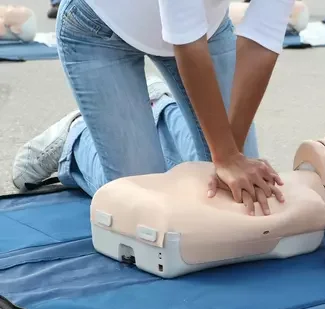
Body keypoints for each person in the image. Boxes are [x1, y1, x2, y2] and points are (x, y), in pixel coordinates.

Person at [13, 0, 295, 214]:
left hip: (203, 29)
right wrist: (226, 157)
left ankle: (157, 107)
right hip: (98, 29)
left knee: (236, 195)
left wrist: (232, 155)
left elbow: (262, 40)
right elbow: (187, 44)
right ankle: (75, 140)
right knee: (144, 203)